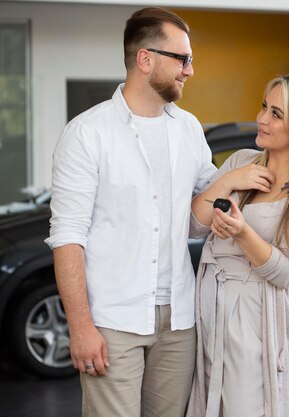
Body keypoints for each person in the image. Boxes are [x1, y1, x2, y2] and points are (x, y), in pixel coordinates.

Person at [45, 7, 216, 417]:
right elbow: (68, 236)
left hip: (179, 320)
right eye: (183, 59)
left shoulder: (189, 128)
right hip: (112, 319)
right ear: (146, 59)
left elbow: (209, 203)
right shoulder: (87, 133)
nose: (190, 70)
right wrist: (81, 327)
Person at [186, 73, 289, 417]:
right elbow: (194, 225)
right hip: (208, 303)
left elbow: (286, 274)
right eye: (264, 107)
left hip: (255, 315)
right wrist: (227, 181)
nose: (262, 119)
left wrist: (242, 232)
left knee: (246, 407)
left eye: (276, 113)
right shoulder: (241, 161)